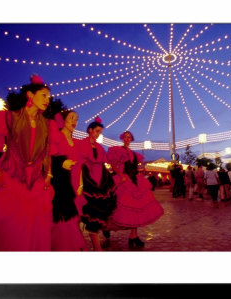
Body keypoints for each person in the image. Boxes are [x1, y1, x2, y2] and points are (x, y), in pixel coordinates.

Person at [0, 74, 54, 251]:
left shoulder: (47, 124)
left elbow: (47, 152)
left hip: (36, 185)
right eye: (43, 95)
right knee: (6, 235)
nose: (47, 100)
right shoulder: (8, 117)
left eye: (49, 97)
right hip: (11, 181)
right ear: (30, 95)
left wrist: (49, 173)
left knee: (31, 236)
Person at [106, 131, 164, 248]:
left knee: (136, 209)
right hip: (124, 181)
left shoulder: (134, 154)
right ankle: (106, 227)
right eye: (125, 137)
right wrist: (121, 175)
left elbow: (134, 167)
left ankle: (133, 236)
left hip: (135, 181)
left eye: (129, 137)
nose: (127, 139)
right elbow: (113, 165)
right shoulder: (118, 150)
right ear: (123, 139)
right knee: (117, 209)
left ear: (131, 139)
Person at [49, 108, 88, 251]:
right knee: (63, 221)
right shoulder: (56, 138)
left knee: (74, 219)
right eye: (71, 117)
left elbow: (80, 166)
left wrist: (81, 184)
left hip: (75, 185)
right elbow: (47, 160)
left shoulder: (77, 143)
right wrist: (60, 163)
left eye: (76, 119)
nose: (74, 121)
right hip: (61, 184)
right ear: (63, 120)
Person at [79, 117, 117, 251]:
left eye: (100, 132)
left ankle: (96, 246)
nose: (98, 134)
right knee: (90, 214)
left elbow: (103, 162)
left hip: (100, 181)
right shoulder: (82, 143)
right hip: (88, 180)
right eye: (96, 131)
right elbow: (80, 162)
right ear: (90, 130)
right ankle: (95, 246)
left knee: (97, 215)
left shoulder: (100, 147)